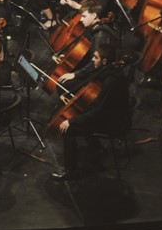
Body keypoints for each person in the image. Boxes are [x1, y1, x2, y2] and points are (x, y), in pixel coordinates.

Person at [52, 43, 130, 180]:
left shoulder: (111, 81)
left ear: (104, 61)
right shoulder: (110, 70)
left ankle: (70, 170)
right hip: (110, 113)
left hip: (112, 122)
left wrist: (71, 120)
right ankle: (95, 146)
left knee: (68, 130)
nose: (92, 60)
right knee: (82, 113)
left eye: (95, 57)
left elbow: (98, 111)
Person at [54, 1, 119, 94]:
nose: (81, 19)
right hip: (94, 66)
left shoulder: (101, 36)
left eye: (84, 16)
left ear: (94, 15)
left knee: (63, 85)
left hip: (100, 75)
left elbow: (96, 64)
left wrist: (75, 74)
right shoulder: (95, 28)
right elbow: (89, 53)